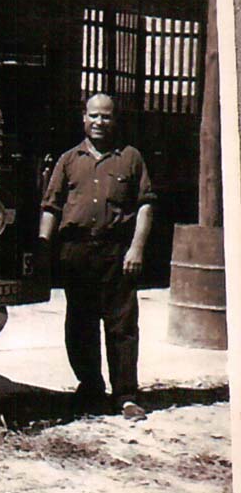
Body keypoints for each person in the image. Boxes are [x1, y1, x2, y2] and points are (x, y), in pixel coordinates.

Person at [38, 93, 155, 421]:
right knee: (80, 324)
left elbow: (146, 205)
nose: (99, 122)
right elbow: (51, 206)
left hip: (116, 252)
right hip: (76, 252)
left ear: (115, 120)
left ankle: (125, 396)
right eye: (94, 116)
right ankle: (90, 386)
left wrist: (137, 248)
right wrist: (44, 246)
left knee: (122, 325)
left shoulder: (130, 158)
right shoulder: (68, 159)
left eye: (106, 116)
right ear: (84, 119)